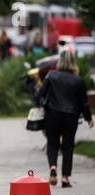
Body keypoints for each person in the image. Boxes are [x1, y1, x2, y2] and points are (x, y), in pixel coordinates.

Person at [36, 50, 94, 187]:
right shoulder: (78, 80)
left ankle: (53, 168)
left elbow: (39, 95)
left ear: (59, 62)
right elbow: (83, 103)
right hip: (71, 117)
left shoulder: (51, 76)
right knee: (68, 147)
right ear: (73, 63)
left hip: (52, 115)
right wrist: (88, 118)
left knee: (52, 143)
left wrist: (43, 106)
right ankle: (65, 178)